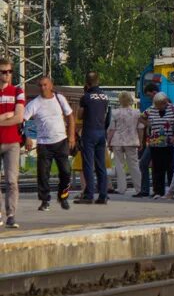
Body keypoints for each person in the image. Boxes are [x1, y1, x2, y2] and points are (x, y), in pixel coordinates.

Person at [22, 76, 74, 211]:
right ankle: (45, 200)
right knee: (43, 174)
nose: (43, 88)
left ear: (51, 85)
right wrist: (26, 137)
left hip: (61, 141)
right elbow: (22, 120)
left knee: (66, 171)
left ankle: (63, 196)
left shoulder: (59, 98)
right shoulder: (34, 104)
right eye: (40, 85)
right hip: (44, 143)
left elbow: (70, 116)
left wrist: (72, 136)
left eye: (45, 85)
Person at [75, 71, 111, 204]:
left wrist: (85, 94)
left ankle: (89, 195)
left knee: (88, 164)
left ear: (87, 83)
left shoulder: (86, 97)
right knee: (101, 165)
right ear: (98, 81)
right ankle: (103, 195)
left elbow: (80, 115)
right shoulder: (105, 96)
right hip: (101, 132)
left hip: (89, 132)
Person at [0, 58, 26, 228]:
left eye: (9, 71)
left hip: (12, 142)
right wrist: (6, 116)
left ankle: (11, 215)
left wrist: (8, 117)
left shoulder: (17, 91)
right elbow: (12, 116)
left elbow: (19, 117)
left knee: (12, 180)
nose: (7, 75)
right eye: (3, 72)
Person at [143, 92, 174, 198]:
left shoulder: (173, 108)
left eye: (160, 104)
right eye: (157, 104)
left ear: (165, 102)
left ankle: (173, 191)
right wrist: (148, 124)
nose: (158, 106)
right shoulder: (151, 109)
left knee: (171, 167)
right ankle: (158, 191)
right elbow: (141, 117)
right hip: (155, 143)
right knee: (157, 168)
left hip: (169, 143)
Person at [107, 92, 141, 195]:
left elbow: (111, 129)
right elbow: (140, 128)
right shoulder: (137, 112)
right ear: (130, 100)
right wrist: (140, 140)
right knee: (134, 165)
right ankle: (139, 188)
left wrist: (109, 142)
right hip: (132, 141)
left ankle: (121, 188)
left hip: (117, 141)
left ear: (120, 101)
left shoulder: (115, 112)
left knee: (119, 165)